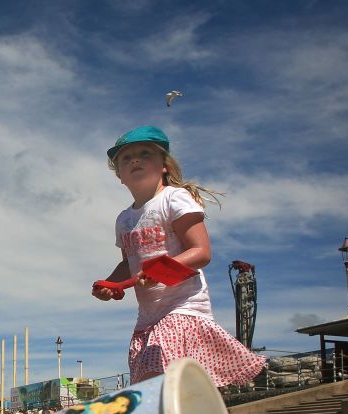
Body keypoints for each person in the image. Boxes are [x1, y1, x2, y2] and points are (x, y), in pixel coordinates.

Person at [91, 126, 264, 387]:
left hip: (182, 308)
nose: (135, 159)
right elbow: (128, 263)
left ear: (164, 165)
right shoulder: (124, 219)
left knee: (158, 385)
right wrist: (110, 283)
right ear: (120, 176)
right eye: (126, 158)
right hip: (148, 317)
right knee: (159, 388)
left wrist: (157, 271)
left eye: (145, 153)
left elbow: (201, 252)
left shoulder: (174, 198)